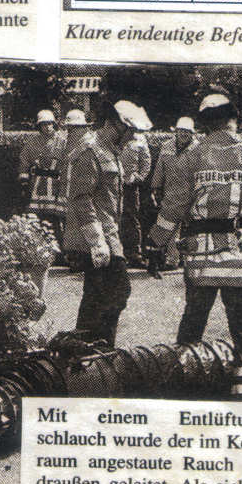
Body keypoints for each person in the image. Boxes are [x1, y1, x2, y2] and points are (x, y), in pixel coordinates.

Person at [147, 91, 242, 401]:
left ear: (205, 125)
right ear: (233, 120)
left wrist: (155, 246)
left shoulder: (191, 158)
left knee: (192, 328)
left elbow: (173, 208)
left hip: (202, 259)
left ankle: (182, 392)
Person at [62, 99, 152, 348]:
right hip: (97, 238)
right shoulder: (90, 149)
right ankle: (94, 349)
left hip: (109, 234)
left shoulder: (109, 149)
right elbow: (81, 198)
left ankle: (92, 352)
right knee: (116, 291)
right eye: (131, 132)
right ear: (115, 125)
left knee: (98, 295)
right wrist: (97, 241)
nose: (133, 138)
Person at [149, 116, 198, 266]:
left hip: (191, 195)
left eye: (187, 132)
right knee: (168, 227)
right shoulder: (166, 147)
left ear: (192, 134)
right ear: (176, 132)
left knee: (190, 229)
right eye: (181, 131)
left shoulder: (198, 149)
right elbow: (159, 169)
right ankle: (172, 259)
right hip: (171, 194)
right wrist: (155, 187)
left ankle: (188, 259)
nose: (184, 134)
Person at [18, 109, 66, 245]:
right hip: (37, 186)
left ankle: (58, 249)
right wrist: (24, 181)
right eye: (43, 124)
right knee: (36, 218)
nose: (47, 127)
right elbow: (24, 160)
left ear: (54, 124)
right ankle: (38, 247)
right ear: (39, 126)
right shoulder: (33, 143)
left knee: (55, 218)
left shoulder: (62, 142)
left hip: (56, 185)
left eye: (49, 123)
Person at [120, 125, 153, 267]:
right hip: (114, 183)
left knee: (132, 219)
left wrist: (139, 177)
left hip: (131, 187)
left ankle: (134, 253)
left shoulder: (140, 140)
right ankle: (118, 254)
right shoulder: (116, 138)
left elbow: (146, 162)